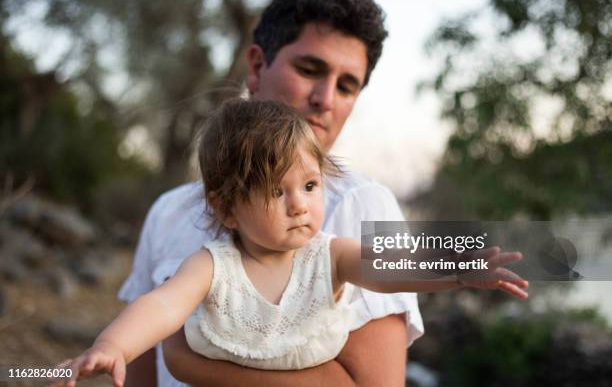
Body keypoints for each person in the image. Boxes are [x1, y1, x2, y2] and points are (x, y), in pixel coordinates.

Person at [57, 99, 528, 387]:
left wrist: (459, 269)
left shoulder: (330, 255)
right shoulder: (211, 265)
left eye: (309, 186)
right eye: (275, 191)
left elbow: (389, 265)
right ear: (226, 209)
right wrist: (114, 345)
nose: (299, 205)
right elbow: (161, 307)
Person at [120, 0, 421, 386]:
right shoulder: (169, 211)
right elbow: (140, 368)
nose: (326, 99)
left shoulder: (363, 205)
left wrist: (190, 360)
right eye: (309, 69)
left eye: (347, 85)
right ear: (258, 66)